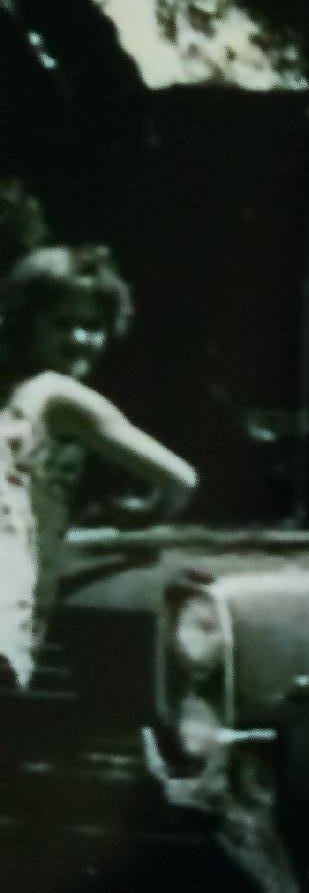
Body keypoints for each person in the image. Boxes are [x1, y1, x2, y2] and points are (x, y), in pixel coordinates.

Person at [0, 246, 197, 687]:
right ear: (26, 322)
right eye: (61, 323)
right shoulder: (55, 395)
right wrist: (142, 513)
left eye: (91, 326)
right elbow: (178, 480)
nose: (77, 339)